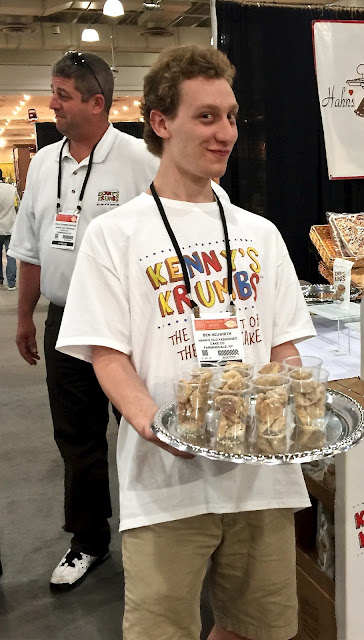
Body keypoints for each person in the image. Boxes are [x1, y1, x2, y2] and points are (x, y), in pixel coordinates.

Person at [56, 45, 315, 639]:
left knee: (258, 629)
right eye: (206, 116)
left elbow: (283, 345)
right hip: (165, 486)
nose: (226, 132)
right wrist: (156, 426)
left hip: (260, 481)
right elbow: (107, 354)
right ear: (161, 121)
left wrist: (287, 408)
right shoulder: (115, 235)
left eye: (231, 116)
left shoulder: (260, 233)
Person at [6, 51, 164, 591]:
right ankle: (89, 541)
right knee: (76, 438)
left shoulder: (141, 160)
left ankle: (159, 535)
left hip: (131, 324)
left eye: (63, 95)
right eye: (53, 93)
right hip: (66, 321)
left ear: (98, 103)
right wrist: (25, 317)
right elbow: (30, 249)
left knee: (145, 431)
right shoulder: (43, 164)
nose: (52, 104)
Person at [0, 168, 18, 291]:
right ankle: (11, 283)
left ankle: (0, 280)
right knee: (11, 255)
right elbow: (18, 205)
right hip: (11, 227)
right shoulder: (12, 189)